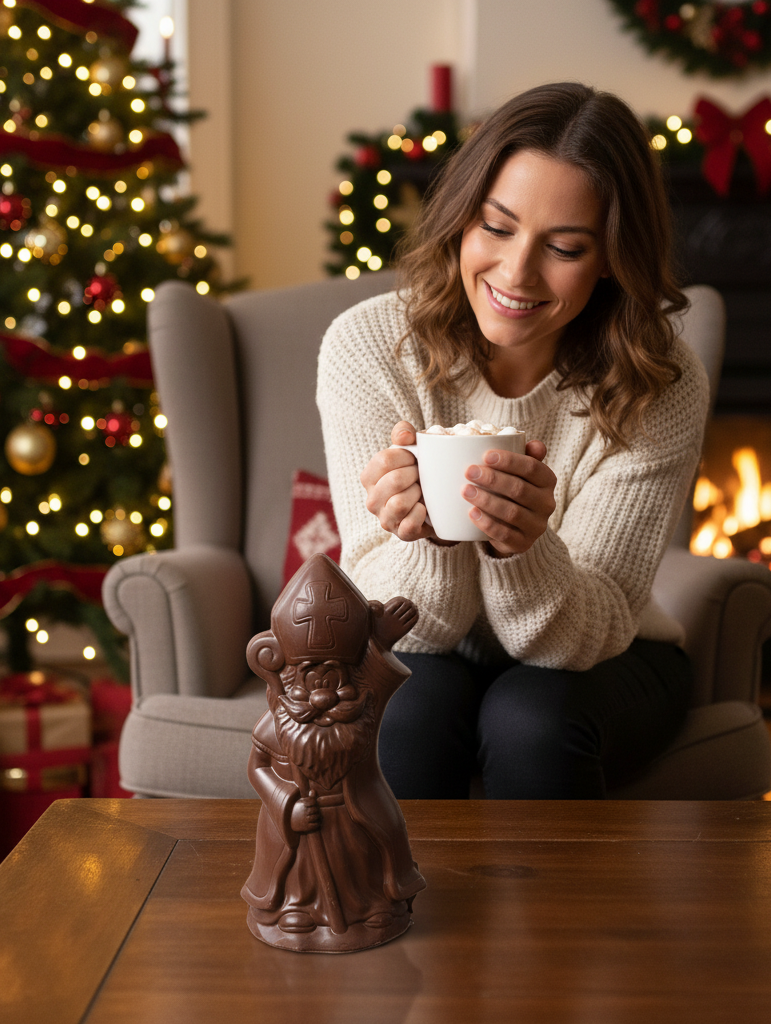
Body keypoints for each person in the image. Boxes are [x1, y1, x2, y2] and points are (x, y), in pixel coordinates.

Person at [316, 82, 708, 799]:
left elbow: (580, 639)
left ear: (613, 259)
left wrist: (520, 546)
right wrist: (426, 540)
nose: (516, 273)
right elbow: (403, 630)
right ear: (462, 219)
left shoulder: (660, 379)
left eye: (563, 247)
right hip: (428, 643)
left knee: (531, 718)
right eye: (496, 228)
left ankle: (554, 916)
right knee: (407, 709)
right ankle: (397, 911)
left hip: (607, 650)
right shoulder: (369, 347)